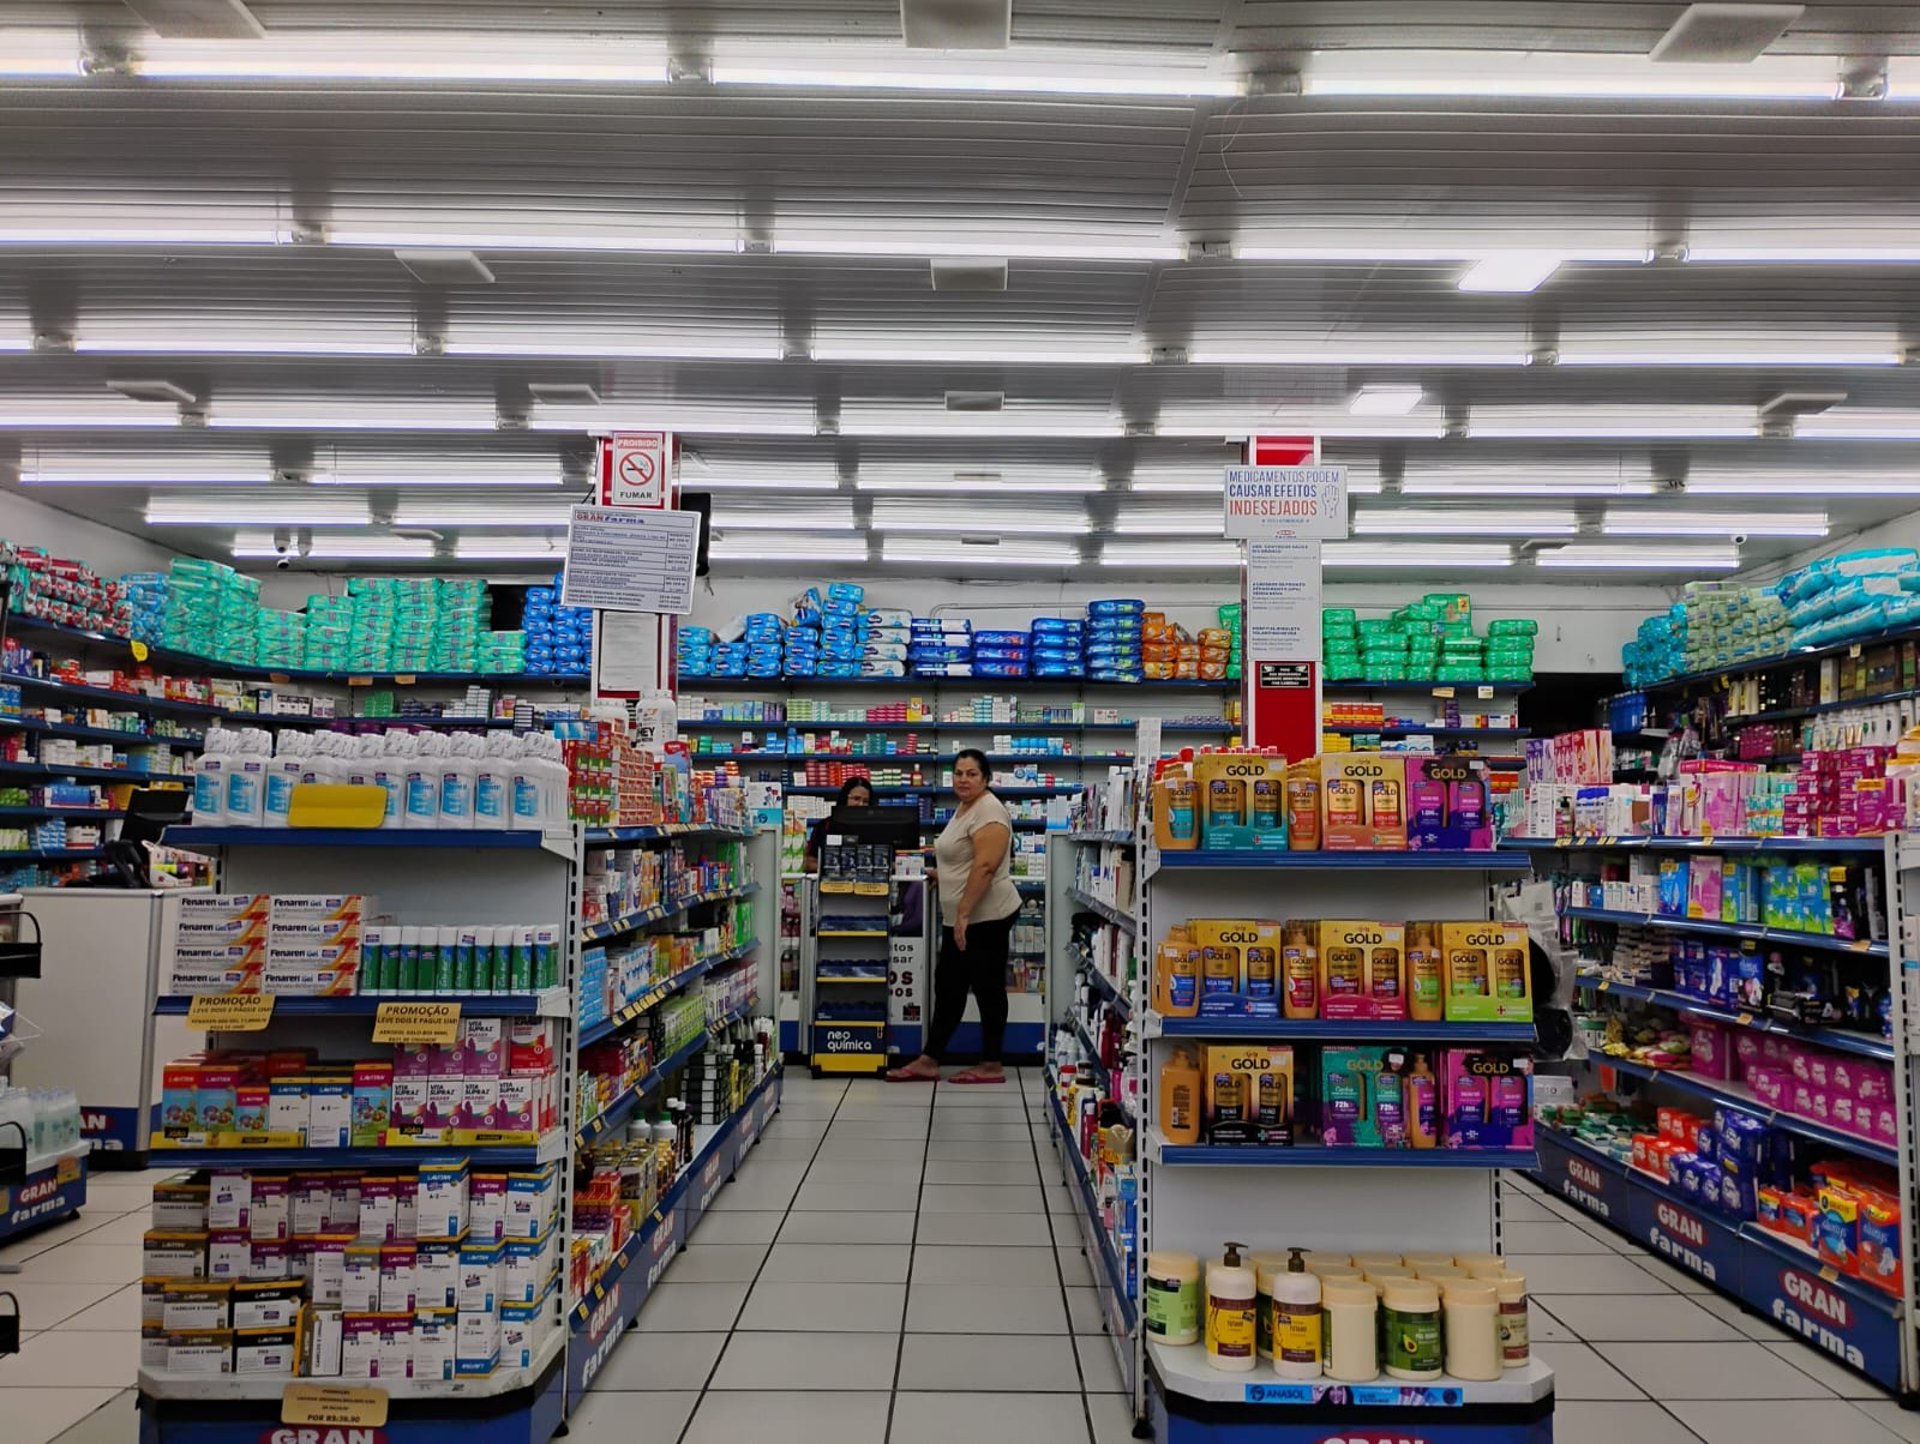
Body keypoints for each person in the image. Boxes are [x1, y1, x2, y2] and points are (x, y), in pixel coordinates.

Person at [888, 748, 1021, 1084]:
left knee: (987, 988)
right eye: (958, 773)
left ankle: (991, 1064)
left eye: (971, 774)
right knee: (949, 987)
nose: (963, 779)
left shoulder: (989, 811)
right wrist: (941, 876)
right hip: (963, 917)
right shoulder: (966, 808)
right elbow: (962, 859)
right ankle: (930, 1059)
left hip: (985, 916)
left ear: (986, 778)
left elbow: (986, 866)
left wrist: (963, 914)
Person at [803, 776, 875, 873]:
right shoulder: (825, 825)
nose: (861, 804)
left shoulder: (875, 827)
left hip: (870, 885)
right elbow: (808, 863)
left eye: (866, 801)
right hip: (833, 883)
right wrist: (836, 868)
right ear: (845, 798)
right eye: (856, 799)